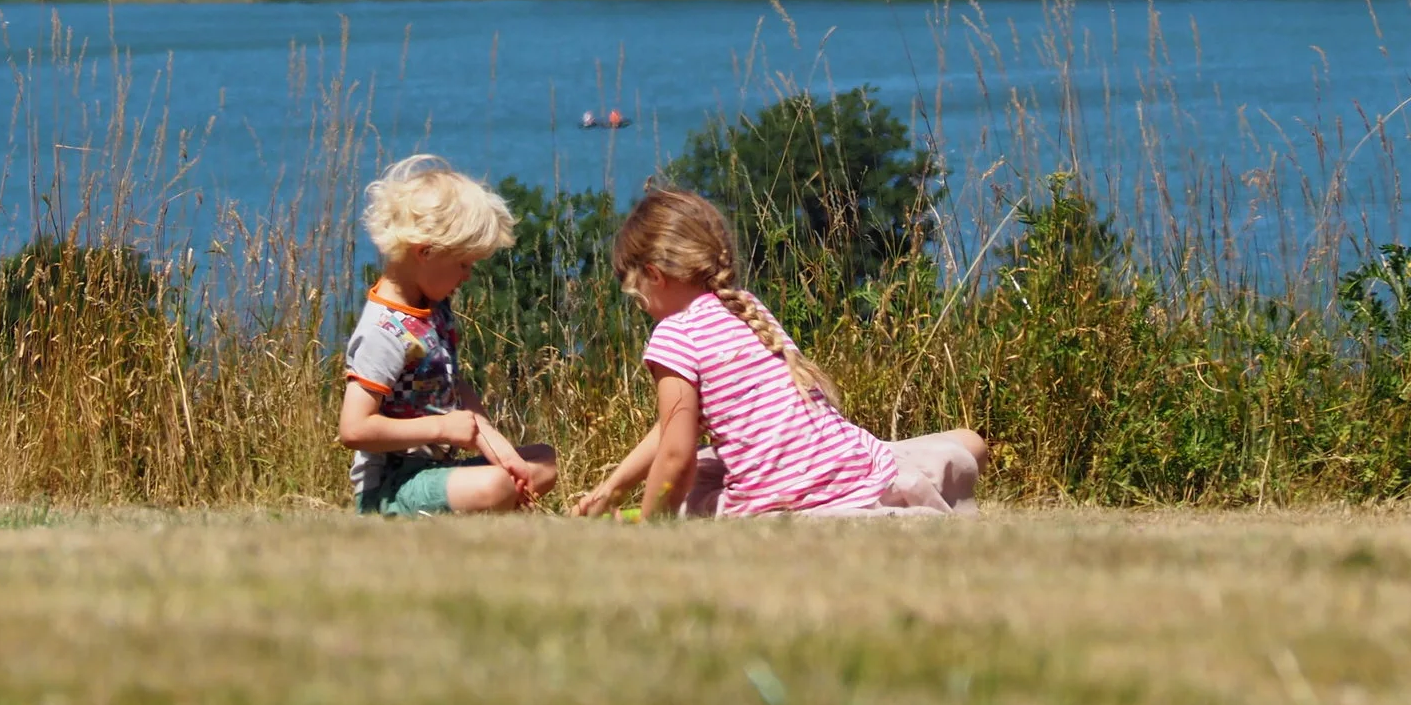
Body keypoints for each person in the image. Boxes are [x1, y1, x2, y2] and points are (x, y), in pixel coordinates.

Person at [573, 188, 987, 518]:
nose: (637, 302)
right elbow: (673, 428)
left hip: (786, 499)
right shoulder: (747, 308)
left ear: (654, 275)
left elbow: (676, 455)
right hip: (862, 470)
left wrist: (649, 525)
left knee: (687, 489)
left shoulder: (675, 334)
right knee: (968, 442)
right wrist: (613, 487)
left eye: (633, 290)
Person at [338, 154, 558, 515]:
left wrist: (499, 449)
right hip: (392, 486)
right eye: (463, 264)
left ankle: (482, 505)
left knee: (542, 463)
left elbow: (453, 388)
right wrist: (441, 428)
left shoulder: (432, 306)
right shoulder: (383, 331)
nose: (467, 276)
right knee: (497, 485)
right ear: (425, 252)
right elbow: (355, 429)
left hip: (438, 470)